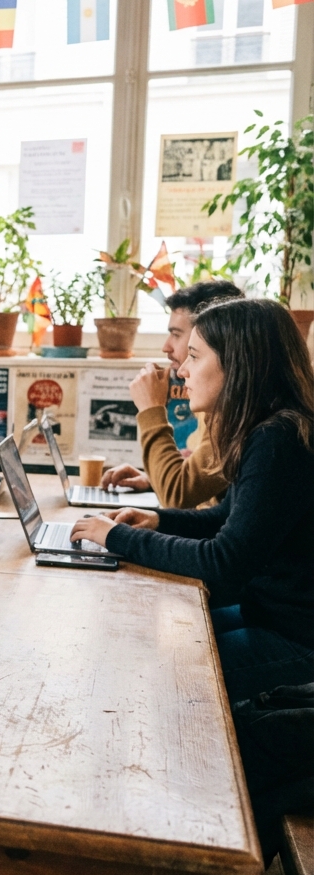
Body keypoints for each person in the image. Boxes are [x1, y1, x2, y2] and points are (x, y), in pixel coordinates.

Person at [70, 299, 314, 705]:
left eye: (195, 357)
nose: (181, 370)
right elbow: (225, 518)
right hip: (271, 617)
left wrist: (118, 538)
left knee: (161, 675)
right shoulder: (269, 429)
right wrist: (156, 521)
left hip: (295, 638)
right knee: (145, 645)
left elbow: (225, 562)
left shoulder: (279, 440)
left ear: (238, 364)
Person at [100, 280, 242, 507]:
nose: (166, 346)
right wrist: (153, 478)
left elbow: (177, 495)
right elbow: (196, 482)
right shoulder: (215, 402)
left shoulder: (235, 411)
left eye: (176, 334)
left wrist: (151, 410)